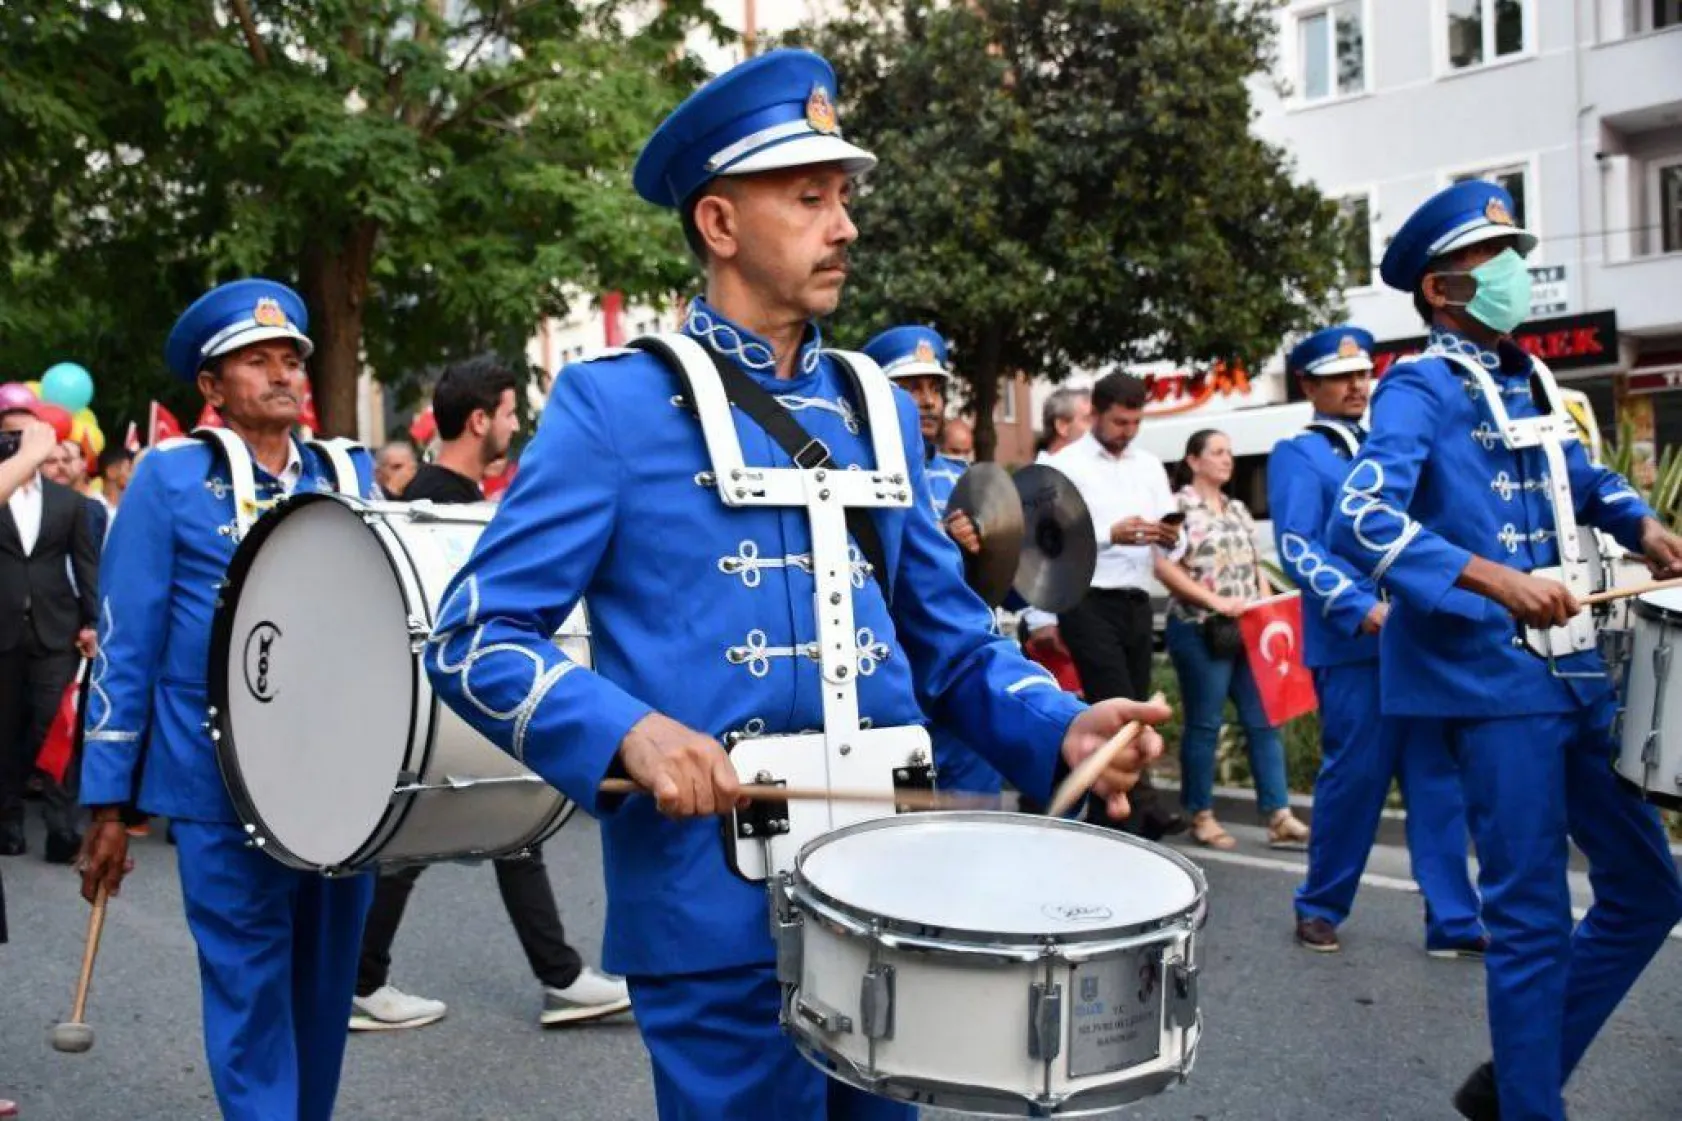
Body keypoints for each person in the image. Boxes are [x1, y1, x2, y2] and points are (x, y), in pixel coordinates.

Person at [423, 48, 1165, 1121]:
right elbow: (475, 636)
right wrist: (627, 729)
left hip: (890, 890)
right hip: (707, 909)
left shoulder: (875, 408)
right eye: (809, 198)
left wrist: (1063, 725)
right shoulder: (609, 406)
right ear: (719, 223)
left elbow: (951, 645)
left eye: (844, 197)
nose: (845, 226)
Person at [1324, 180, 1682, 1121]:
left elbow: (1580, 476)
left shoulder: (1531, 379)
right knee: (1529, 916)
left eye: (1515, 253)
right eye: (1494, 258)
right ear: (1441, 288)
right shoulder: (1418, 385)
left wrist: (1643, 523)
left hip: (1577, 672)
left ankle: (1515, 1078)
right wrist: (1491, 577)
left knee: (1649, 889)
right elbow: (1358, 517)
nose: (1515, 271)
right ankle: (1529, 1105)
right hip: (1488, 679)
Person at [77, 278, 379, 1120]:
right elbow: (127, 643)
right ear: (212, 386)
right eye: (257, 360)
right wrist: (109, 802)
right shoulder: (171, 478)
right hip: (218, 782)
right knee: (249, 993)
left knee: (323, 992)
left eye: (291, 359)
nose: (282, 374)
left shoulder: (346, 470)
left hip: (343, 783)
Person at [350, 356, 629, 1032]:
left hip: (450, 706)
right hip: (440, 706)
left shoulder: (457, 500)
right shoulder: (433, 507)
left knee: (504, 832)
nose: (514, 425)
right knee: (425, 841)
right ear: (479, 421)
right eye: (507, 413)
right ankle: (361, 980)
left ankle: (556, 976)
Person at [1268, 327, 1483, 955]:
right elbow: (1297, 546)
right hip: (1355, 647)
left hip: (1417, 640)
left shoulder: (1391, 447)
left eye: (1362, 374)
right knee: (1354, 780)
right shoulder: (1299, 454)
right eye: (1340, 377)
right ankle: (1320, 905)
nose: (1357, 386)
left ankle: (1454, 919)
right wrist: (1358, 606)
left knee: (1437, 780)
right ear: (1308, 386)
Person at [861, 326, 999, 800]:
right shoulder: (859, 478)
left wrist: (987, 549)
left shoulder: (968, 481)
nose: (928, 401)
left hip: (959, 673)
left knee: (977, 821)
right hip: (894, 681)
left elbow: (1011, 587)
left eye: (934, 388)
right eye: (911, 387)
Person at [1045, 371, 1185, 839]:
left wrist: (1172, 537)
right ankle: (1141, 804)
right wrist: (1109, 534)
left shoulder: (1149, 465)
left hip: (1137, 597)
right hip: (1087, 598)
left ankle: (1114, 808)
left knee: (1135, 703)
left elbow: (1174, 542)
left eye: (1136, 422)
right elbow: (1050, 538)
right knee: (1117, 700)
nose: (1128, 431)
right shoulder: (1067, 465)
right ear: (1096, 414)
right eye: (1120, 422)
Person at [1156, 429, 1309, 849]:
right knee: (1205, 723)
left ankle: (1279, 814)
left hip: (1248, 629)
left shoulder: (1237, 508)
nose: (1227, 459)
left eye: (1230, 453)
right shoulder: (1176, 509)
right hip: (1199, 627)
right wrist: (1214, 602)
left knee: (1264, 719)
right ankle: (1200, 814)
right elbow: (1164, 567)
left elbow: (1254, 564)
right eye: (1218, 452)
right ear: (1193, 460)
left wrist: (1266, 607)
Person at [1, 407, 99, 863]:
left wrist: (93, 621)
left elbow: (86, 566)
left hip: (56, 631)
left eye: (29, 434)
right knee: (5, 732)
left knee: (56, 728)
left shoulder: (68, 502)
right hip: (4, 631)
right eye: (11, 435)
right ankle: (8, 823)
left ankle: (63, 829)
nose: (21, 442)